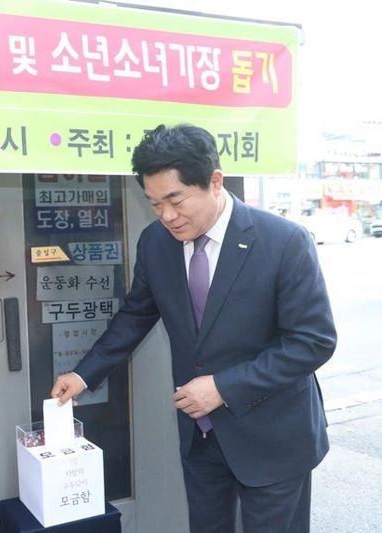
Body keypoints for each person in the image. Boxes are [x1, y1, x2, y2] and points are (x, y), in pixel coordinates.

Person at [51, 124, 336, 532]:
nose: (167, 216)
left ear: (214, 181)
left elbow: (313, 342)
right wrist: (84, 373)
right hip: (201, 434)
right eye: (154, 204)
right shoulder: (156, 243)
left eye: (176, 200)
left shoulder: (283, 242)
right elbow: (136, 315)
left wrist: (222, 387)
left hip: (273, 436)